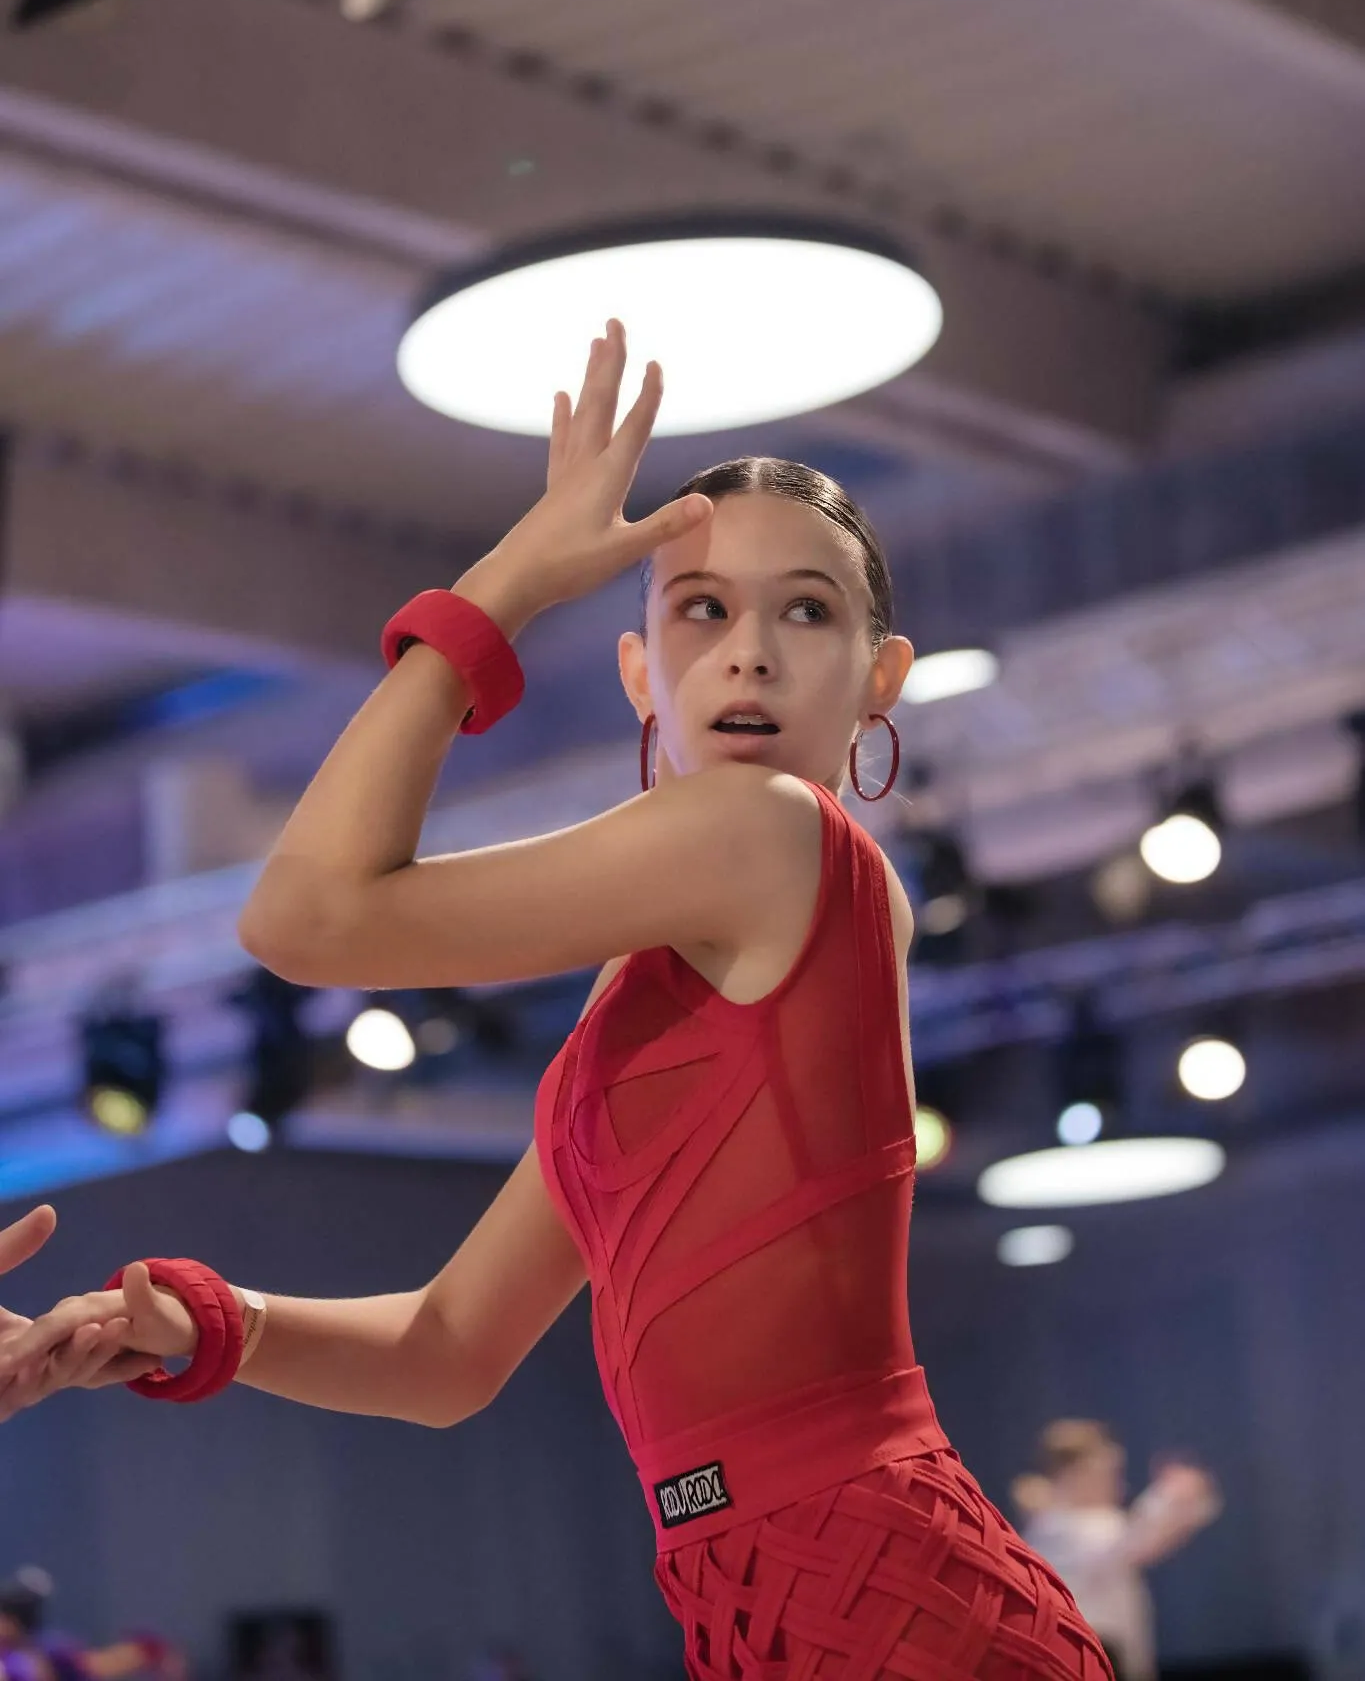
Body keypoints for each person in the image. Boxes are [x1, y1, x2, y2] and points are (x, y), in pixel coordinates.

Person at [0, 323, 1113, 1678]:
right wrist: (185, 1323)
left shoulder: (766, 833)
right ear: (642, 670)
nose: (747, 653)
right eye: (699, 609)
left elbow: (304, 916)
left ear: (880, 678)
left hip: (887, 1597)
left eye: (804, 610)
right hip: (752, 1601)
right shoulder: (644, 987)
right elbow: (447, 1349)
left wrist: (511, 580)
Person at [1013, 1420, 1223, 1681]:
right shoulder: (1055, 1526)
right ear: (1074, 1475)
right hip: (1085, 1663)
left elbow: (1145, 1543)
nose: (1119, 1483)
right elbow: (1128, 1545)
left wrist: (1185, 1503)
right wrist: (1168, 1496)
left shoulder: (1094, 1521)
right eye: (1108, 1473)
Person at [0, 1565, 186, 1681]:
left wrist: (153, 1652)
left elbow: (98, 1665)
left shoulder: (52, 1649)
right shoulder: (10, 1659)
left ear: (15, 1620)